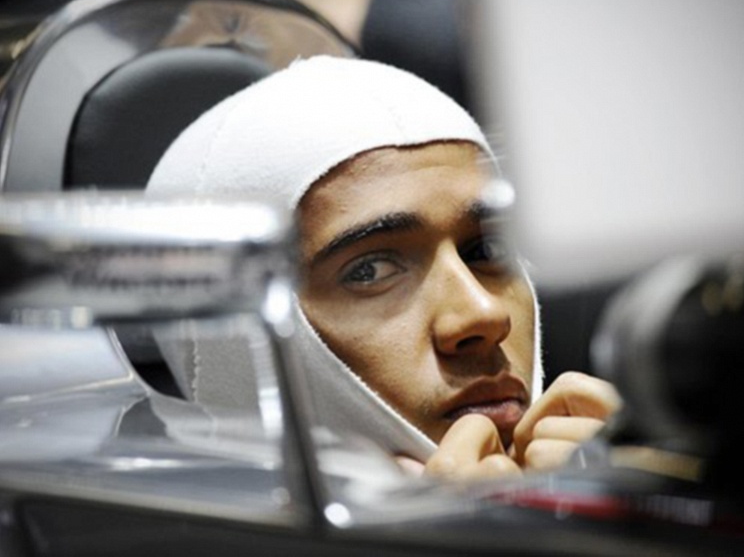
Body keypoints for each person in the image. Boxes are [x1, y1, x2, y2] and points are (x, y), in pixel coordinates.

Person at [146, 55, 621, 479]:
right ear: (233, 346)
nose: (484, 315)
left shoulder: (622, 485)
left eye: (488, 249)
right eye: (369, 271)